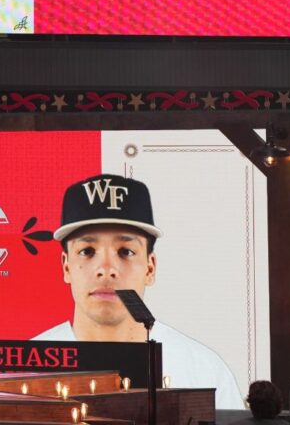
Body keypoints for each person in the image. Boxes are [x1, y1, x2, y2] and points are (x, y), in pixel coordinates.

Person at [31, 174, 244, 409]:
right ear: (66, 266)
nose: (106, 269)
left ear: (150, 267)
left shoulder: (203, 371)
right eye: (87, 251)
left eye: (126, 251)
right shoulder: (23, 370)